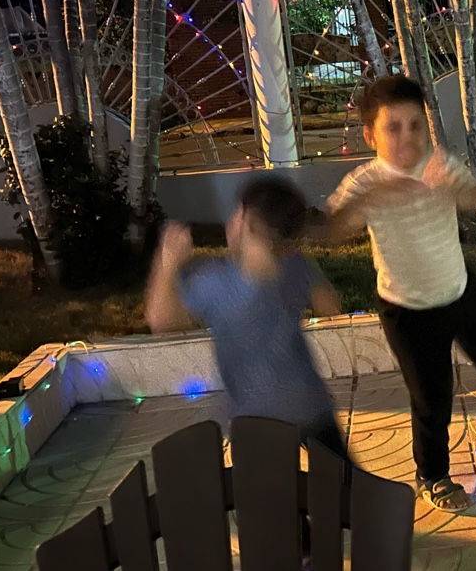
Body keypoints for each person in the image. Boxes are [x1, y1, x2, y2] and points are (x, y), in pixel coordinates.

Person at [325, 74, 476, 513]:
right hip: (408, 310)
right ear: (371, 136)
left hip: (460, 290)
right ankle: (433, 475)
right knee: (432, 402)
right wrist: (373, 197)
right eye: (393, 127)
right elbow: (333, 229)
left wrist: (457, 189)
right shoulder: (365, 182)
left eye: (415, 125)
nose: (407, 137)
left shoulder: (440, 164)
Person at [145, 176, 350, 462]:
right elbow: (331, 305)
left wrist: (167, 264)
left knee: (265, 488)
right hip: (309, 403)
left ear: (243, 221)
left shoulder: (216, 282)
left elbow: (162, 321)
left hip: (254, 417)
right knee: (341, 475)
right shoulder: (296, 266)